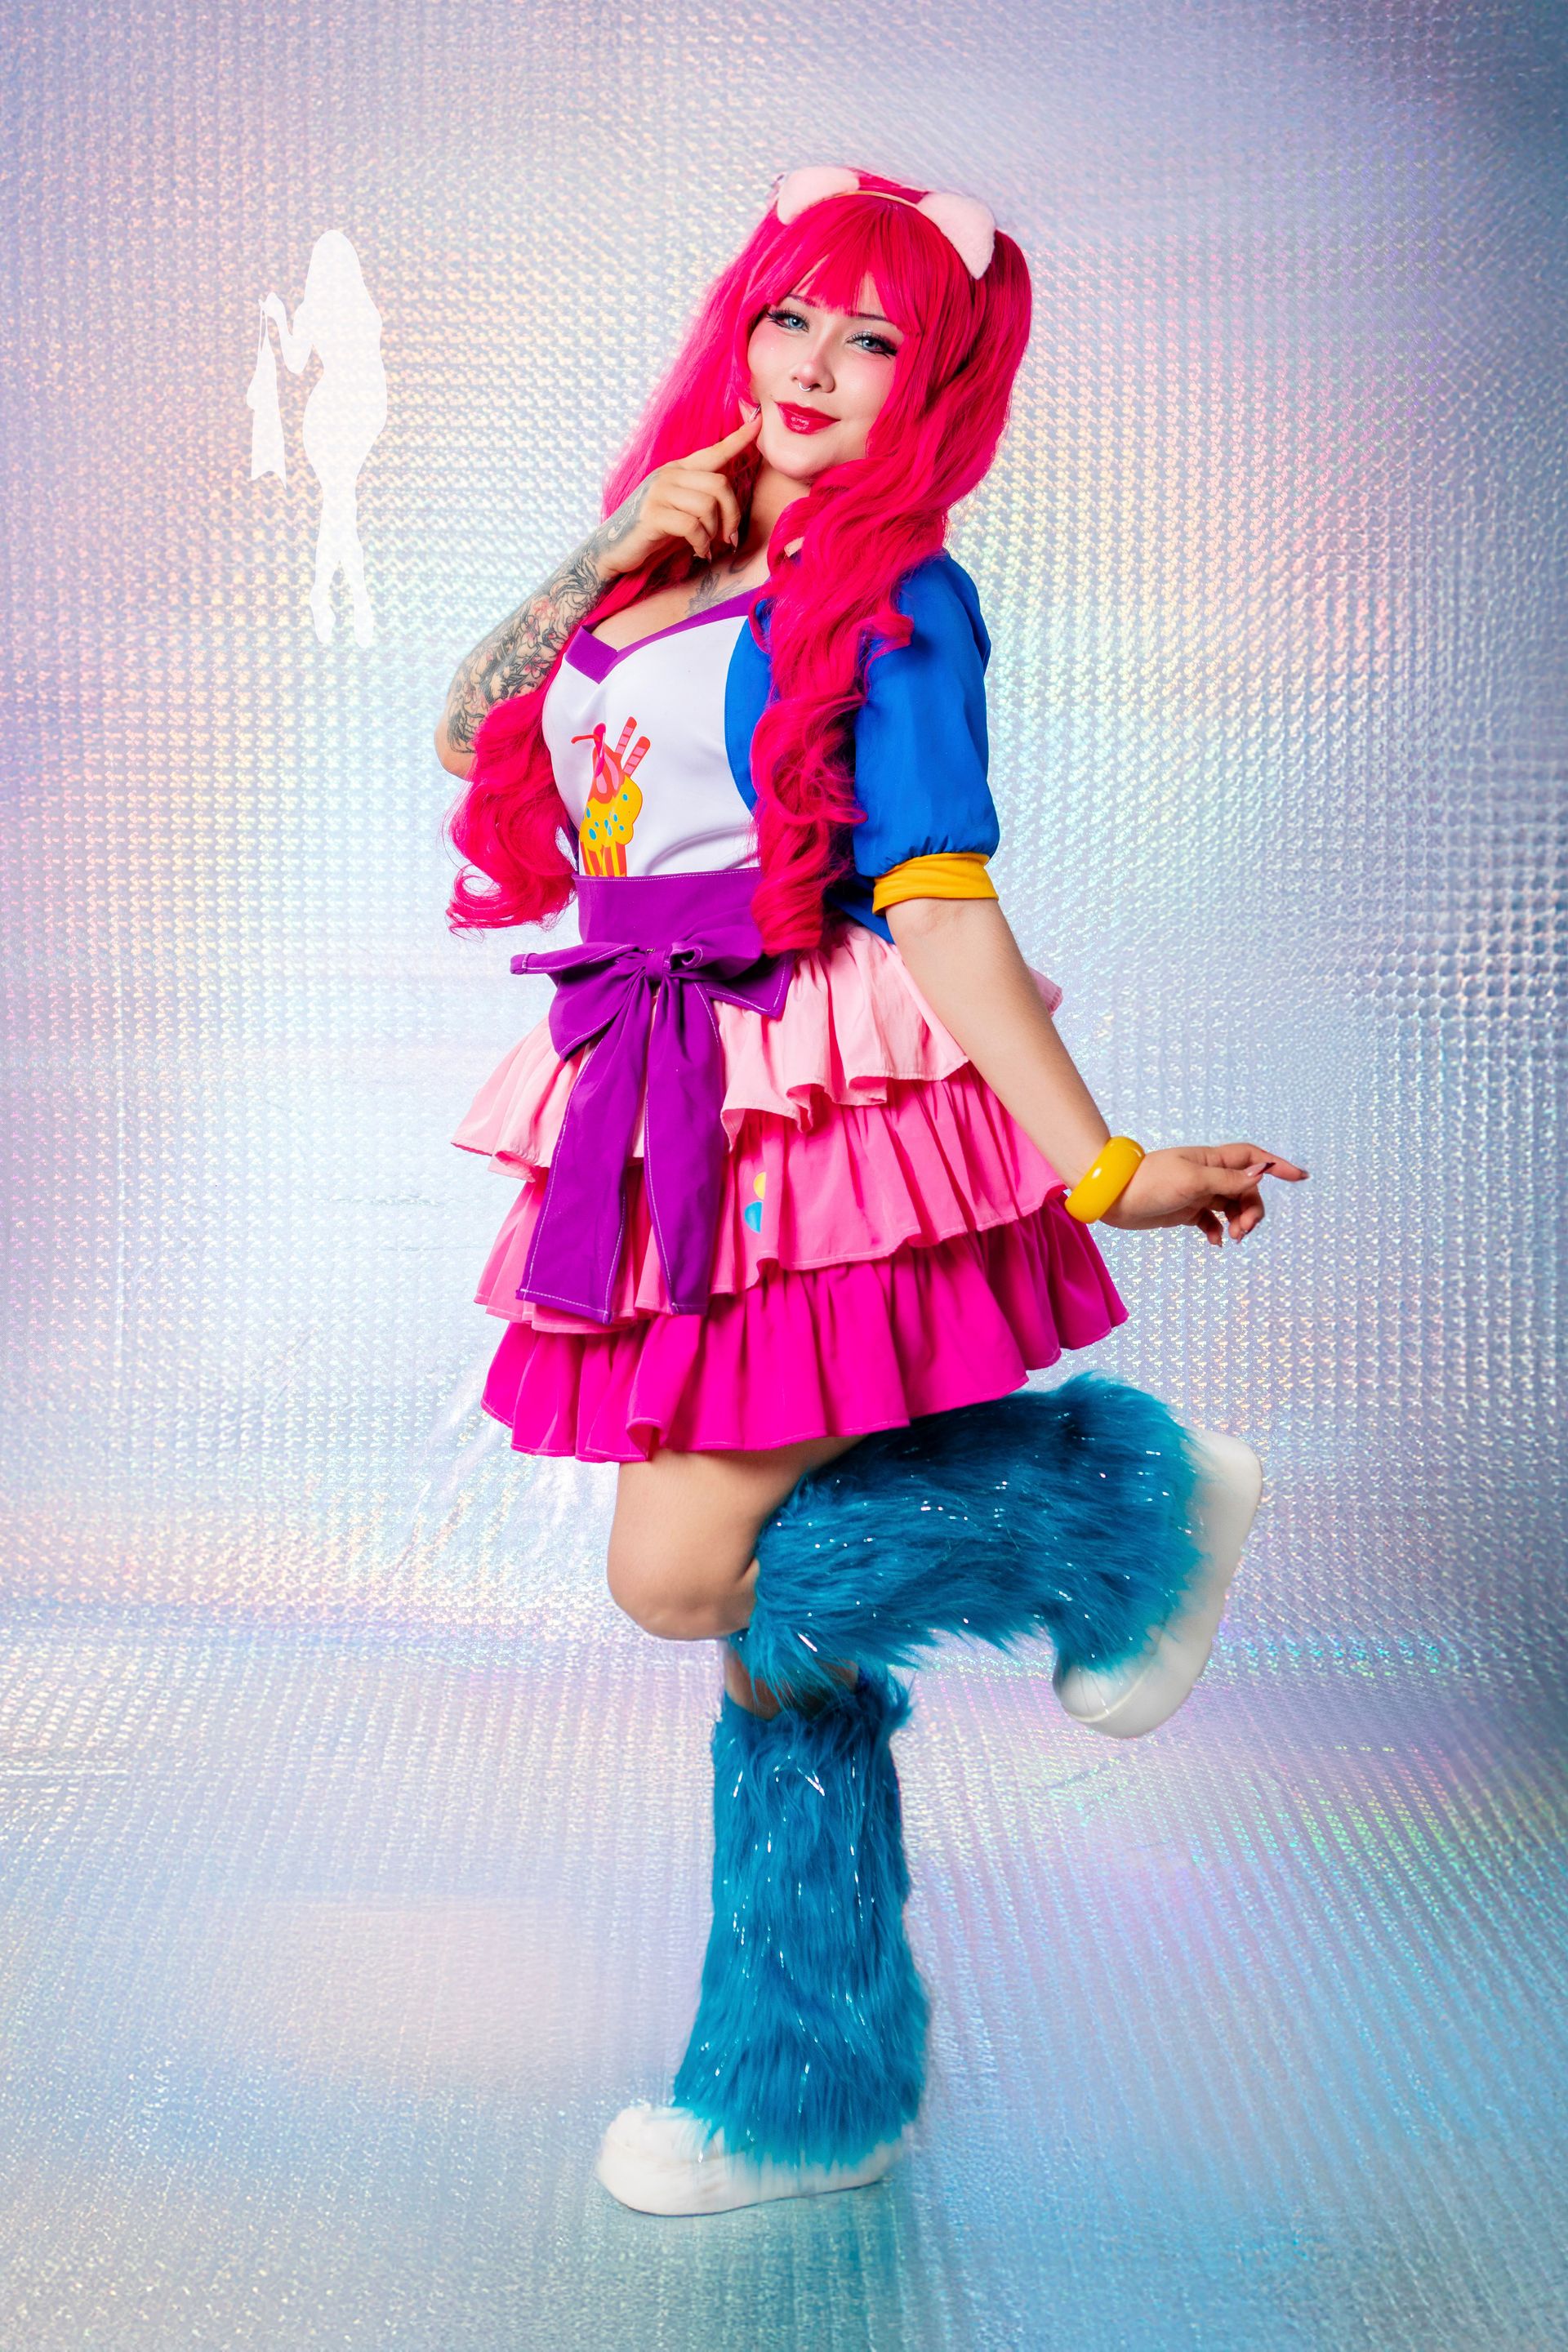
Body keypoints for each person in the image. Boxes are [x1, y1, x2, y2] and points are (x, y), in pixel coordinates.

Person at [434, 165, 1307, 2217]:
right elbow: (479, 739)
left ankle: (1117, 1499)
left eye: (875, 338)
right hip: (653, 1098)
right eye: (791, 318)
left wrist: (1101, 1163)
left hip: (803, 1111)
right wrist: (603, 556)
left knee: (680, 1576)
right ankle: (804, 2093)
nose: (817, 367)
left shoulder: (899, 595)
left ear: (933, 384)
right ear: (741, 328)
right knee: (772, 1642)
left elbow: (943, 905)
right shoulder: (666, 553)